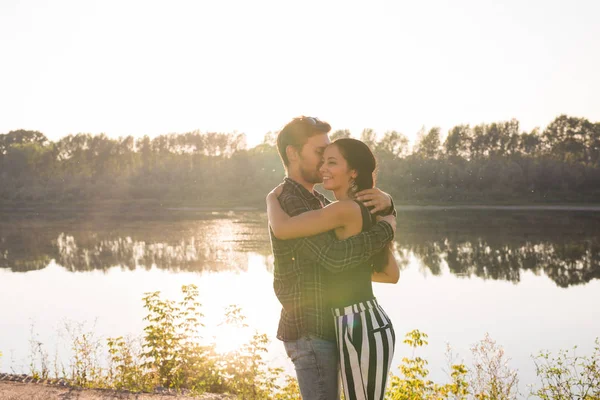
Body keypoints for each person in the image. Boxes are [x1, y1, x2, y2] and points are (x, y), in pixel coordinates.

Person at [267, 116, 397, 400]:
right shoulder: (290, 201)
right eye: (319, 154)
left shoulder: (322, 203)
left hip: (339, 327)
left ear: (352, 171)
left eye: (330, 159)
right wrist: (388, 225)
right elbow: (335, 259)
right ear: (293, 153)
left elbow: (370, 269)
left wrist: (389, 208)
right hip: (311, 330)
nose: (323, 163)